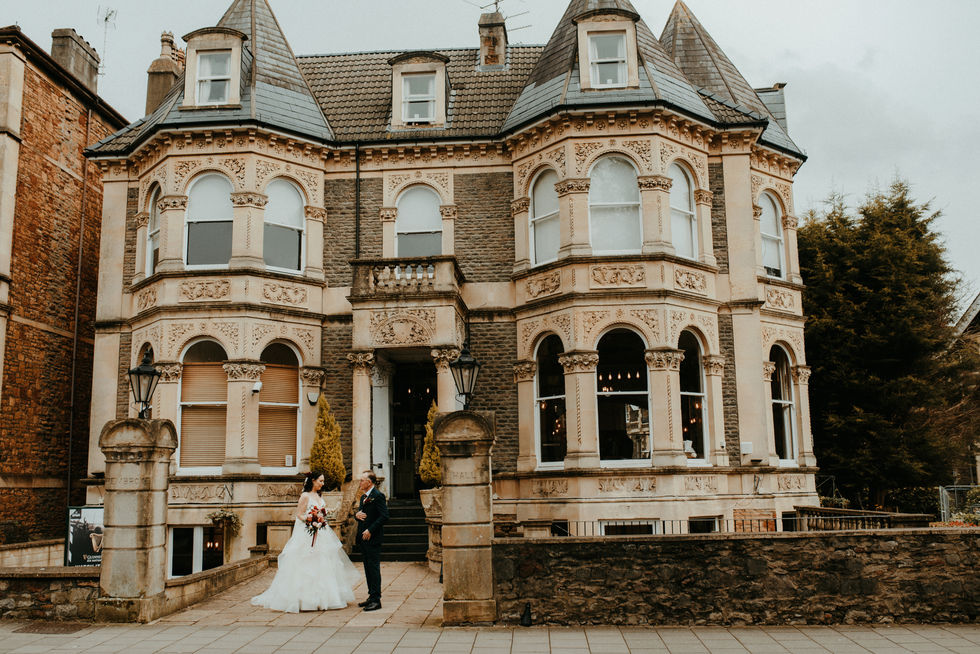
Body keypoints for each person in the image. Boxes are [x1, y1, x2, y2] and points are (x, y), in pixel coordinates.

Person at [251, 471, 359, 612]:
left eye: (323, 481)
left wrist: (320, 519)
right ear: (313, 481)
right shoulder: (305, 496)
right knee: (305, 563)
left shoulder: (319, 495)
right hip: (307, 534)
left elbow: (322, 512)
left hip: (321, 533)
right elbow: (299, 515)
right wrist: (311, 520)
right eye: (320, 480)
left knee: (324, 563)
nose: (322, 483)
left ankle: (326, 597)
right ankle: (303, 599)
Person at [354, 470, 389, 611]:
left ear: (369, 482)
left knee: (374, 569)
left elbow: (384, 516)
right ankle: (371, 596)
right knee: (368, 569)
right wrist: (356, 515)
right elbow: (361, 514)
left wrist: (370, 530)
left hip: (372, 538)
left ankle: (376, 600)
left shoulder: (378, 496)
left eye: (362, 480)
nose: (360, 482)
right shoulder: (363, 497)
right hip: (363, 539)